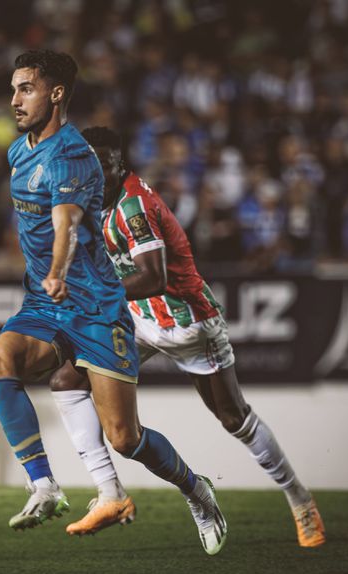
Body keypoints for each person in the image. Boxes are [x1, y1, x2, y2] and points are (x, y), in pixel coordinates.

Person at [0, 50, 227, 555]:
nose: (14, 100)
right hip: (47, 302)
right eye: (13, 89)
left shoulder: (72, 156)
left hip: (95, 308)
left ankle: (196, 490)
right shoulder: (18, 152)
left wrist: (55, 271)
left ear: (55, 93)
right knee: (0, 362)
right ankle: (46, 487)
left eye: (25, 88)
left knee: (124, 437)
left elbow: (67, 225)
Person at [48, 126, 325, 548]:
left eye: (105, 163)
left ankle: (299, 499)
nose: (96, 172)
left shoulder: (133, 205)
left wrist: (93, 294)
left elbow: (154, 276)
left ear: (119, 163)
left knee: (235, 419)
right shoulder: (91, 199)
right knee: (67, 379)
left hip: (188, 324)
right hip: (139, 322)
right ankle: (111, 492)